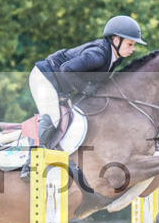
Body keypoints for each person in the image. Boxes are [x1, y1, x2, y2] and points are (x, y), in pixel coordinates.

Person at [29, 15, 146, 150]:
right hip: (44, 77)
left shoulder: (116, 58)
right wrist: (85, 88)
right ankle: (31, 161)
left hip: (59, 84)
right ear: (116, 40)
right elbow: (66, 69)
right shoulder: (97, 56)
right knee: (53, 118)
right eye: (130, 44)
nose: (133, 49)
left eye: (134, 45)